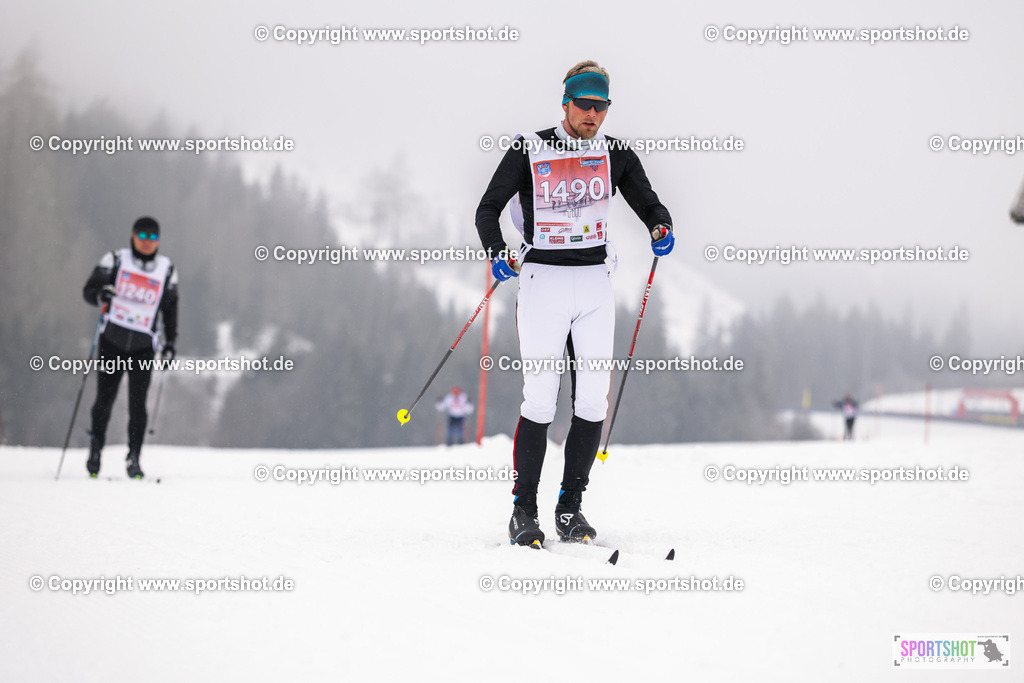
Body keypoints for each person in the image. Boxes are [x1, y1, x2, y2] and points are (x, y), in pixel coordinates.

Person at [475, 60, 674, 547]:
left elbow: (648, 202)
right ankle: (524, 511)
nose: (592, 114)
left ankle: (570, 507)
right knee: (540, 399)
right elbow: (487, 208)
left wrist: (660, 225)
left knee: (591, 402)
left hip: (593, 286)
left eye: (600, 106)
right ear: (565, 103)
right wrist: (498, 252)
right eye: (584, 105)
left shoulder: (616, 154)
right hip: (542, 280)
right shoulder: (529, 147)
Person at [82, 217, 178, 479]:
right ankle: (96, 449)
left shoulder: (166, 270)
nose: (147, 243)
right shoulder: (114, 260)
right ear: (133, 236)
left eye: (152, 238)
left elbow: (170, 310)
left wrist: (170, 343)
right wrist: (102, 294)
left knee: (138, 406)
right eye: (142, 236)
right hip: (112, 341)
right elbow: (89, 291)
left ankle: (133, 458)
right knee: (104, 400)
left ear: (158, 240)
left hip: (143, 347)